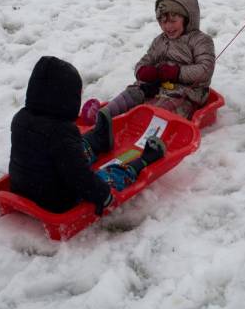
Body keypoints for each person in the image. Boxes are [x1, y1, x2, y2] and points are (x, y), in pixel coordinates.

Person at [9, 56, 166, 215]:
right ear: (66, 99)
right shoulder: (61, 131)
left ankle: (98, 140)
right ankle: (142, 161)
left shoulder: (20, 118)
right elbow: (79, 178)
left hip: (21, 188)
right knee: (108, 176)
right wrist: (102, 195)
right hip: (58, 200)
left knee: (71, 148)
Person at [81, 0, 216, 125]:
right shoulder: (160, 41)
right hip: (158, 85)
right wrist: (142, 71)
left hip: (186, 93)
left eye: (173, 21)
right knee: (135, 91)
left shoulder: (200, 40)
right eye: (163, 21)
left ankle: (140, 129)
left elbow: (206, 68)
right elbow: (146, 60)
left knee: (163, 107)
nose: (168, 27)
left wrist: (177, 73)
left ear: (187, 19)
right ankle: (104, 115)